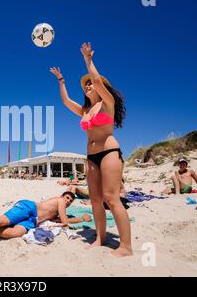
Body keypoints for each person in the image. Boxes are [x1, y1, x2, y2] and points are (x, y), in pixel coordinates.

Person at [50, 42, 132, 257]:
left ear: (100, 87)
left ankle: (126, 246)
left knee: (111, 198)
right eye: (85, 85)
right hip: (91, 156)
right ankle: (100, 238)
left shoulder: (107, 102)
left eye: (90, 84)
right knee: (95, 199)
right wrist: (61, 80)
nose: (87, 86)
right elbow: (66, 101)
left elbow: (96, 79)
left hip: (109, 152)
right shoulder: (85, 110)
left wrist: (88, 60)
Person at [0, 192, 91, 254]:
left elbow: (62, 220)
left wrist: (80, 219)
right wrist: (81, 219)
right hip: (29, 207)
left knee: (15, 233)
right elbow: (65, 221)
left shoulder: (57, 212)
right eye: (67, 198)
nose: (68, 201)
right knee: (3, 221)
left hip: (32, 221)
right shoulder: (60, 201)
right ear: (62, 197)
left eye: (70, 201)